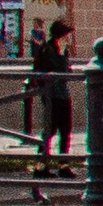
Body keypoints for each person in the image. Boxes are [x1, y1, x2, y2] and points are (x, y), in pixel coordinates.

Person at [32, 21, 73, 159]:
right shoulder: (49, 49)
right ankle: (41, 165)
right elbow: (60, 71)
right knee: (51, 129)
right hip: (54, 95)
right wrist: (62, 57)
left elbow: (67, 71)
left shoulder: (60, 50)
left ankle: (63, 164)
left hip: (62, 93)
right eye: (66, 35)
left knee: (65, 130)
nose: (68, 39)